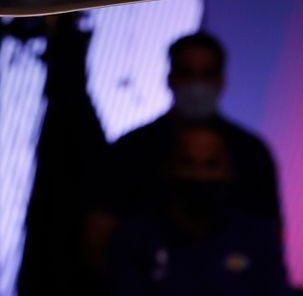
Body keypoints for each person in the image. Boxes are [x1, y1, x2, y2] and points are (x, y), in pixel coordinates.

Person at [84, 32, 281, 276]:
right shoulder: (130, 150)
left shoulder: (252, 153)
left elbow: (271, 247)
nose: (199, 177)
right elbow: (98, 244)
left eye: (211, 164)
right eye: (187, 73)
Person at [106, 123, 290, 296]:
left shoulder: (258, 238)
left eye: (211, 164)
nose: (199, 175)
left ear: (230, 172)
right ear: (168, 169)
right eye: (187, 163)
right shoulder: (134, 238)